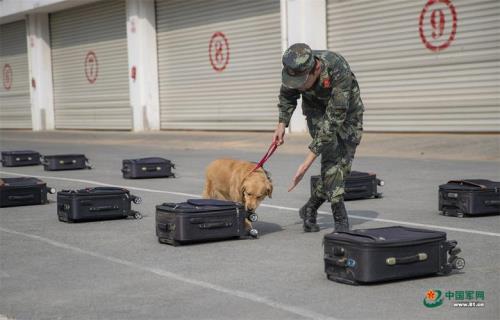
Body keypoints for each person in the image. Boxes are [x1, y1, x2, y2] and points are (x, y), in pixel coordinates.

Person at [272, 43, 364, 233]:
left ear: (315, 69)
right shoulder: (294, 68)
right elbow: (287, 95)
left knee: (343, 166)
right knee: (331, 159)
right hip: (316, 111)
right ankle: (341, 221)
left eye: (301, 83)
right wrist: (282, 124)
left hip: (347, 112)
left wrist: (305, 164)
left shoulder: (336, 66)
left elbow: (335, 117)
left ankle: (310, 207)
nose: (298, 86)